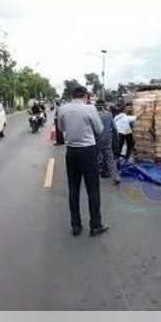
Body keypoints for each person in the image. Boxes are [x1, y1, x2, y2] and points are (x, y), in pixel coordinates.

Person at [57, 86, 109, 237]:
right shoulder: (90, 109)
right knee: (93, 190)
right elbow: (99, 129)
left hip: (71, 152)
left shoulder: (63, 109)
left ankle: (76, 226)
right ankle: (95, 225)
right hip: (88, 152)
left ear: (72, 96)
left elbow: (61, 128)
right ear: (85, 96)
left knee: (73, 189)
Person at [95, 99, 120, 185]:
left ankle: (93, 176)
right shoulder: (109, 114)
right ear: (104, 105)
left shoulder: (94, 115)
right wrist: (116, 138)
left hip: (96, 140)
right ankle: (116, 177)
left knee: (94, 158)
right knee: (110, 159)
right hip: (107, 140)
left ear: (96, 105)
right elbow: (114, 128)